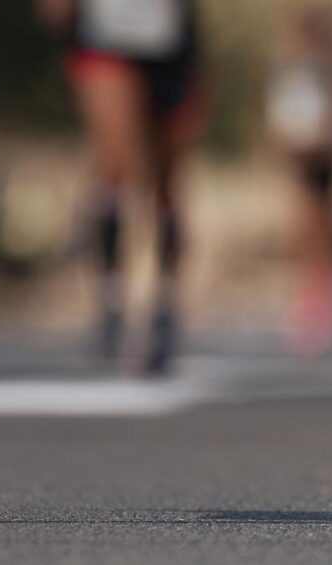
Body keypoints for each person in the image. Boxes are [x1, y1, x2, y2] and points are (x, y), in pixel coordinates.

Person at [38, 0, 208, 373]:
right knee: (117, 160)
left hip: (169, 38)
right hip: (106, 35)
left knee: (167, 179)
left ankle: (164, 304)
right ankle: (111, 300)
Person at [266, 4, 332, 356]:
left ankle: (325, 296)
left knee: (325, 225)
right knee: (304, 228)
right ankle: (313, 295)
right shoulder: (292, 72)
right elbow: (276, 117)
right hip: (301, 160)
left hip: (327, 159)